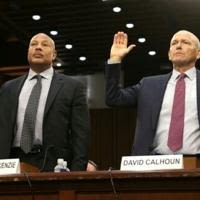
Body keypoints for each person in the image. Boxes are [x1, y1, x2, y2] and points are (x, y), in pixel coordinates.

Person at [0, 33, 90, 171]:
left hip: (54, 163)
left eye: (44, 44)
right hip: (12, 162)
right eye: (33, 44)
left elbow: (81, 135)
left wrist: (77, 174)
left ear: (54, 55)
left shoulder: (72, 87)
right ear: (28, 53)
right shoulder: (8, 88)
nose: (38, 48)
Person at [105, 30, 200, 155]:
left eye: (185, 42)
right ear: (169, 53)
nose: (178, 46)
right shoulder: (148, 85)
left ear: (198, 53)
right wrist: (115, 59)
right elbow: (114, 98)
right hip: (154, 164)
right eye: (174, 43)